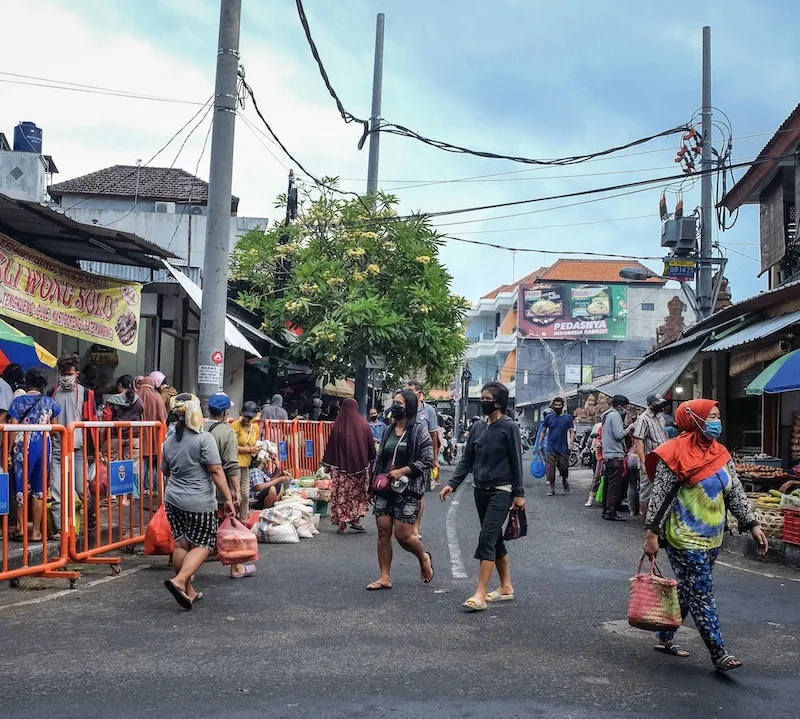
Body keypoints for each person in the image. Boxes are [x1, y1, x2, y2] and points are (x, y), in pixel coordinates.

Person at [643, 399, 768, 672]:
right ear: (694, 420)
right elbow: (660, 498)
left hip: (713, 538)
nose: (716, 421)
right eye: (711, 416)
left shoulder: (720, 453)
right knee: (702, 592)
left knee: (689, 591)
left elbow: (734, 492)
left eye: (718, 416)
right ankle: (719, 652)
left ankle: (664, 636)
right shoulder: (674, 453)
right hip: (683, 537)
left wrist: (752, 524)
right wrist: (652, 533)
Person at [441, 381, 525, 612]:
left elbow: (517, 462)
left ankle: (480, 593)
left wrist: (519, 493)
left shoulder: (510, 427)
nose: (483, 402)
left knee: (486, 538)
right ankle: (506, 586)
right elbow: (467, 459)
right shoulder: (478, 427)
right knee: (495, 538)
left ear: (498, 402)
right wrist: (452, 484)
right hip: (480, 489)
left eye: (487, 398)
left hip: (502, 490)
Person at [162, 393, 235, 609]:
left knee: (181, 543)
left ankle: (188, 591)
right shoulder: (204, 439)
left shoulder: (169, 440)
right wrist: (229, 498)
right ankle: (179, 580)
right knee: (204, 543)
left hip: (173, 498)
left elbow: (165, 470)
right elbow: (215, 470)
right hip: (199, 501)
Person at [367, 389, 434, 591]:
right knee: (382, 530)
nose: (395, 406)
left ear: (410, 407)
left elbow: (428, 459)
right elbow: (380, 458)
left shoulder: (419, 430)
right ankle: (384, 577)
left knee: (403, 535)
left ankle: (423, 557)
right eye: (394, 402)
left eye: (399, 403)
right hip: (385, 487)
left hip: (409, 488)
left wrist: (404, 470)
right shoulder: (388, 430)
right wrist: (372, 484)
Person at [204, 392, 254, 579]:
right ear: (225, 413)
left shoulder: (197, 427)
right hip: (219, 488)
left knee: (196, 528)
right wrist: (234, 493)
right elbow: (232, 466)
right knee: (230, 525)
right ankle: (236, 568)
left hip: (197, 488)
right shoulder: (227, 433)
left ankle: (187, 571)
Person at [7, 368, 61, 541]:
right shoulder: (50, 403)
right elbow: (55, 429)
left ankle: (21, 528)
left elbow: (13, 429)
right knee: (39, 490)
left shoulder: (18, 402)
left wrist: (8, 451)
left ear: (27, 381)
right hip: (43, 446)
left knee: (21, 487)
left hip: (23, 447)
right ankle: (36, 531)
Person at [49, 353, 98, 537]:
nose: (66, 376)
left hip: (78, 448)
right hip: (57, 448)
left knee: (81, 490)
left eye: (69, 373)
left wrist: (93, 451)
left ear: (77, 373)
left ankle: (90, 520)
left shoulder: (86, 394)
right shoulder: (51, 393)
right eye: (63, 373)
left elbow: (92, 421)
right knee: (57, 491)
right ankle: (60, 528)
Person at [323, 397, 376, 534]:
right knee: (357, 495)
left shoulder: (338, 425)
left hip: (340, 470)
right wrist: (371, 458)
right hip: (360, 467)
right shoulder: (363, 425)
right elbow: (370, 444)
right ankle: (355, 520)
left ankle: (342, 525)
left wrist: (329, 464)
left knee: (341, 496)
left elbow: (331, 446)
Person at [102, 375, 144, 506]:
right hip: (134, 436)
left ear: (120, 385)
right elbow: (141, 414)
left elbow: (106, 418)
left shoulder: (112, 400)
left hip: (115, 436)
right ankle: (125, 498)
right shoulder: (138, 400)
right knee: (128, 466)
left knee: (112, 464)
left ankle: (112, 495)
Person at [405, 380, 439, 538]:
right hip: (405, 454)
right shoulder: (404, 408)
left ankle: (416, 527)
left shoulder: (429, 410)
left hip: (423, 456)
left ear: (419, 393)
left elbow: (434, 436)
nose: (409, 393)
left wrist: (435, 458)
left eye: (411, 390)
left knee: (419, 493)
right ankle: (404, 524)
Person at [632, 393, 670, 516]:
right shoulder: (643, 418)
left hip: (663, 458)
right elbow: (639, 441)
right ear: (650, 405)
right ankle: (647, 521)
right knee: (646, 491)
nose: (661, 406)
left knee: (661, 489)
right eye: (658, 403)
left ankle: (657, 518)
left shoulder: (660, 417)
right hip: (650, 459)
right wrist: (643, 462)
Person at [134, 375, 168, 497]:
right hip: (155, 434)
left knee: (139, 462)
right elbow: (163, 416)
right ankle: (154, 487)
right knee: (154, 462)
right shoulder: (157, 397)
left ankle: (138, 488)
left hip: (138, 434)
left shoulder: (136, 396)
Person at [600, 394, 631, 521]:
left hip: (608, 455)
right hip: (615, 455)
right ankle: (611, 512)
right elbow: (619, 435)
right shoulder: (615, 415)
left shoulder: (606, 415)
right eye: (625, 407)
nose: (626, 410)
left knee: (609, 484)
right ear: (619, 406)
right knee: (614, 485)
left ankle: (606, 509)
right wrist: (629, 428)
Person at [231, 401, 261, 522]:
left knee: (245, 494)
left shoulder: (255, 428)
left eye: (250, 417)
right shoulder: (235, 426)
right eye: (245, 416)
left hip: (246, 465)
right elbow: (232, 446)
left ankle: (243, 521)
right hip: (234, 465)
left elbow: (256, 444)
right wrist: (249, 449)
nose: (247, 419)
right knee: (235, 495)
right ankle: (232, 520)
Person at [539, 397, 574, 496]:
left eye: (559, 405)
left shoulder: (568, 418)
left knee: (564, 467)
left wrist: (571, 443)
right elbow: (543, 431)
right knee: (550, 469)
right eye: (556, 405)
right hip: (551, 447)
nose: (557, 407)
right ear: (553, 406)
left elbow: (571, 431)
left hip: (563, 447)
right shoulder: (549, 418)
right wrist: (539, 444)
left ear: (562, 406)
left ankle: (564, 479)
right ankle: (552, 489)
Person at [585, 420, 604, 507]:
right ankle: (590, 499)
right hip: (600, 456)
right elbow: (596, 439)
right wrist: (598, 444)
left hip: (612, 456)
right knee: (597, 476)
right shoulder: (600, 427)